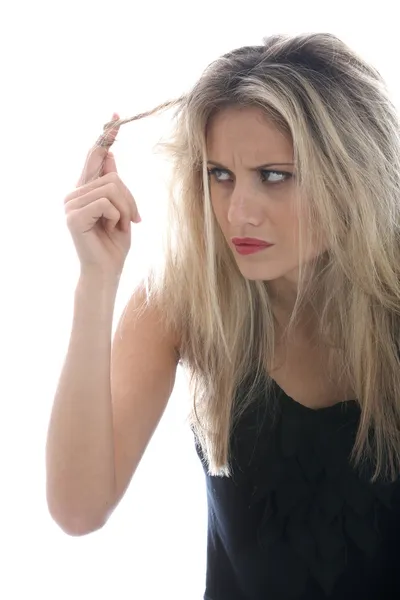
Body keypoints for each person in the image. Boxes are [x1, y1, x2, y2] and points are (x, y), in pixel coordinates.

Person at [45, 32, 400, 599]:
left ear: (350, 175)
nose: (238, 212)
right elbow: (78, 508)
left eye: (274, 175)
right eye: (220, 174)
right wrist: (96, 281)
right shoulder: (181, 304)